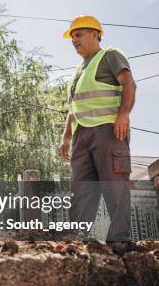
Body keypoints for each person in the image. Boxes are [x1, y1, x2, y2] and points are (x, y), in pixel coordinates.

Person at [57, 15, 137, 241]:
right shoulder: (78, 71)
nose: (74, 40)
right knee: (81, 188)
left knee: (114, 185)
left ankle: (120, 239)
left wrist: (123, 114)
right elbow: (73, 108)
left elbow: (129, 83)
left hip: (109, 132)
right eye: (72, 37)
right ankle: (76, 235)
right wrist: (66, 138)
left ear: (95, 34)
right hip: (81, 136)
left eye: (78, 34)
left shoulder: (110, 55)